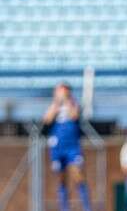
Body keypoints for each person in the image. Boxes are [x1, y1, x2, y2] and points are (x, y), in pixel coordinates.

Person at [43, 83, 92, 211]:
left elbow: (74, 115)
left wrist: (67, 100)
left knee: (78, 175)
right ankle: (64, 208)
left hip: (73, 147)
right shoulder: (54, 106)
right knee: (60, 178)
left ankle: (86, 207)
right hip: (58, 148)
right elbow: (47, 120)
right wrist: (56, 103)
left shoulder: (73, 104)